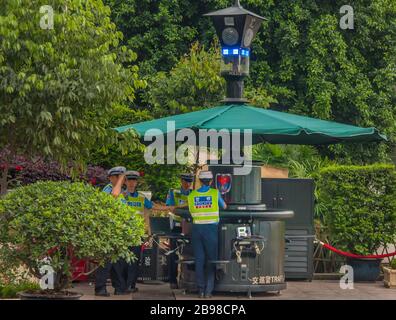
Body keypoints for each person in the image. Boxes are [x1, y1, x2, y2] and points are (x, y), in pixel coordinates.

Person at [187, 171, 227, 298]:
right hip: (211, 230)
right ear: (210, 181)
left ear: (199, 181)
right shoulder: (215, 193)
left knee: (199, 260)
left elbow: (190, 211)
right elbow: (224, 206)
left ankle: (201, 290)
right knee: (211, 260)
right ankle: (209, 292)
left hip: (197, 230)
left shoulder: (192, 195)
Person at [95, 166, 129, 297]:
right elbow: (113, 195)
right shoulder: (108, 189)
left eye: (122, 177)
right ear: (111, 178)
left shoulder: (122, 192)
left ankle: (119, 287)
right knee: (106, 261)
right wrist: (121, 179)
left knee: (118, 262)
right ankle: (99, 288)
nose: (122, 180)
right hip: (108, 232)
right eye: (119, 177)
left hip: (118, 232)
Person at [123, 170, 154, 292]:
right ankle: (123, 285)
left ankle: (131, 285)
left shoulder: (142, 197)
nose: (131, 182)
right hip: (123, 233)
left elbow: (153, 206)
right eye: (129, 180)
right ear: (125, 181)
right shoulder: (122, 196)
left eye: (133, 180)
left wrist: (172, 207)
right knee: (123, 261)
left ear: (136, 182)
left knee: (134, 261)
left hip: (137, 234)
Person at [165, 173, 194, 289]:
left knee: (189, 253)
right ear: (181, 181)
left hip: (190, 227)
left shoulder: (193, 193)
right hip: (176, 226)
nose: (187, 184)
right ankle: (173, 280)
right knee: (173, 254)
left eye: (190, 182)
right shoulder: (173, 192)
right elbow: (170, 207)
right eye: (185, 181)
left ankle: (187, 278)